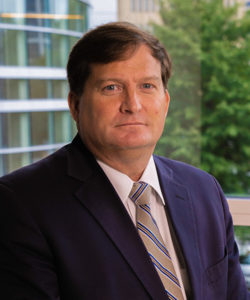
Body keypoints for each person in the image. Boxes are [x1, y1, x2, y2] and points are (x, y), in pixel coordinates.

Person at [0, 22, 249, 300]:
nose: (133, 104)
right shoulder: (21, 204)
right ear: (75, 105)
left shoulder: (204, 190)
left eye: (147, 86)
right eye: (111, 87)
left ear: (165, 103)